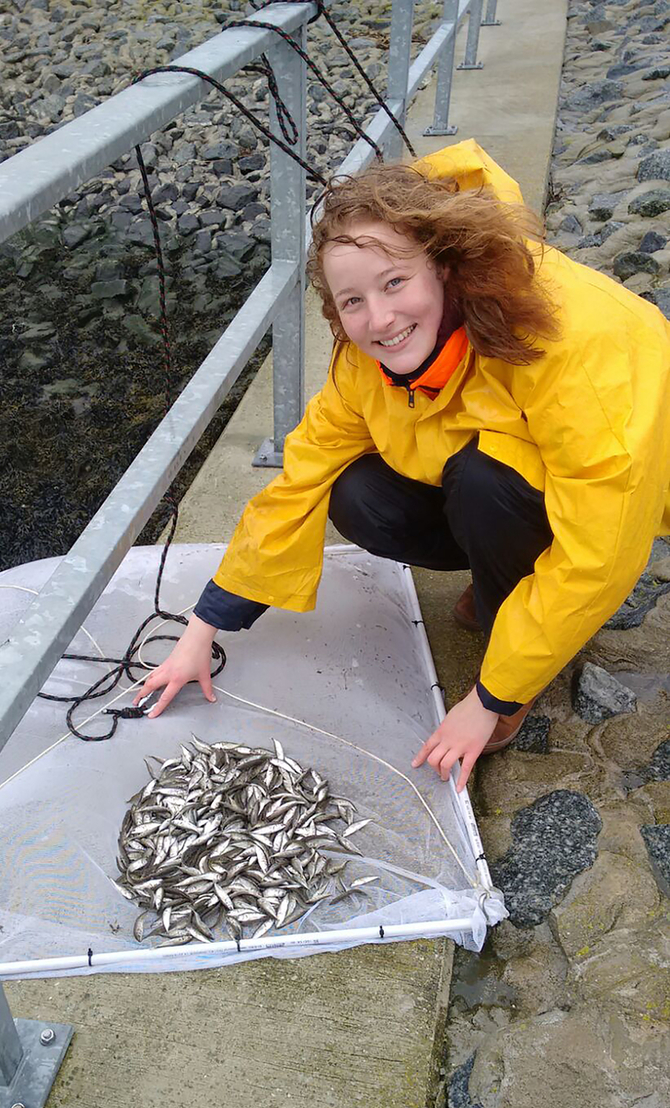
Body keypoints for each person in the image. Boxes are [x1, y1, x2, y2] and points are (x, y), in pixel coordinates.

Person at [134, 140, 670, 793]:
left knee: (486, 484)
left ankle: (518, 648)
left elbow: (601, 551)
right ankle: (508, 580)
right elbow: (302, 474)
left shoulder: (572, 342)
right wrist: (203, 626)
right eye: (352, 300)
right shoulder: (369, 353)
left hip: (614, 487)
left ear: (444, 266)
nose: (380, 319)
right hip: (502, 476)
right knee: (354, 489)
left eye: (395, 282)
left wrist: (491, 698)